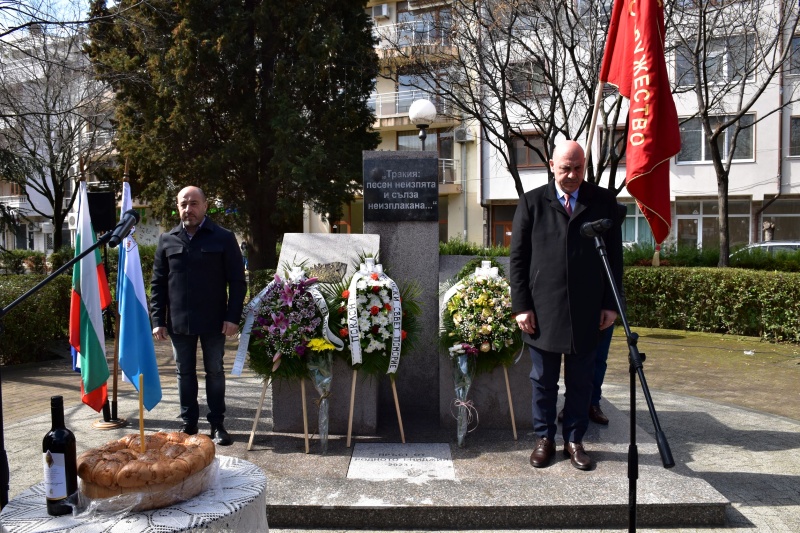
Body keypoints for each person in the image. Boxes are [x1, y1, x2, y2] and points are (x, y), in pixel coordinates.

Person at [509, 140, 623, 471]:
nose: (572, 175)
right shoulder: (532, 202)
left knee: (581, 380)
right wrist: (521, 306)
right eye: (565, 168)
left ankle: (574, 439)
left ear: (585, 165)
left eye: (578, 168)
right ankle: (544, 438)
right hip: (542, 311)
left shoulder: (601, 201)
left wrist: (611, 304)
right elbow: (518, 259)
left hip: (588, 311)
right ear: (551, 164)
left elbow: (614, 259)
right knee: (543, 381)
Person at [150, 186, 246, 446]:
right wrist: (157, 320)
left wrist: (232, 317)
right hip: (180, 322)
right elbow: (158, 284)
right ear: (177, 206)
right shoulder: (167, 239)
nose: (188, 209)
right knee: (184, 373)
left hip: (215, 321)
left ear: (205, 206)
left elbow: (237, 282)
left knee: (214, 372)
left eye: (194, 203)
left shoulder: (223, 238)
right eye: (183, 204)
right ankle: (188, 425)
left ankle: (217, 425)